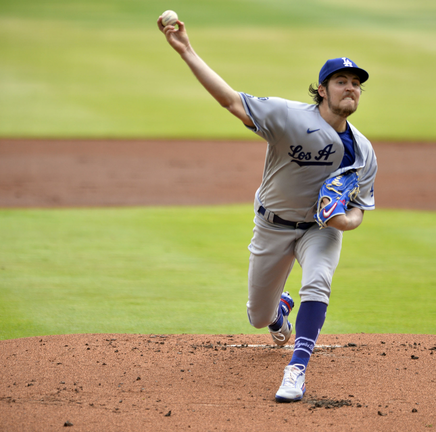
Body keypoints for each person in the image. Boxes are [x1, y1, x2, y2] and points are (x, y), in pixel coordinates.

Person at [158, 17, 378, 402]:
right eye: (342, 81)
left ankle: (296, 369)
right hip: (272, 226)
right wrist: (186, 51)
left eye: (356, 84)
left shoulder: (363, 150)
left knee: (318, 281)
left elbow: (360, 208)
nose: (351, 89)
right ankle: (279, 311)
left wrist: (345, 221)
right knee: (258, 317)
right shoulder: (289, 117)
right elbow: (230, 100)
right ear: (323, 91)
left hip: (320, 230)